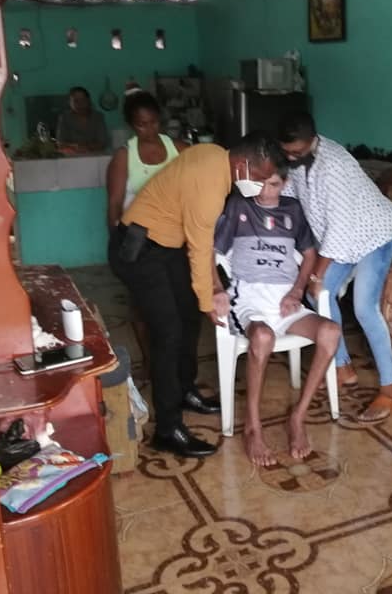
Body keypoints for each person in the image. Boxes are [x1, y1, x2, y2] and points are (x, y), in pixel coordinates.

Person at [108, 133, 280, 458]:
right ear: (242, 165)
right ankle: (167, 429)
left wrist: (208, 294)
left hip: (167, 244)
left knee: (187, 318)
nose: (259, 186)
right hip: (139, 250)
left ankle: (185, 390)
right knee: (168, 333)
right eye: (259, 178)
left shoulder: (214, 154)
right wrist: (209, 302)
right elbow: (201, 249)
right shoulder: (210, 187)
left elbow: (199, 244)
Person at [278, 111, 392, 423]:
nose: (291, 157)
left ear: (312, 140)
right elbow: (290, 196)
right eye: (287, 152)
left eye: (297, 151)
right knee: (318, 295)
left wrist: (316, 273)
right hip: (344, 237)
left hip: (374, 234)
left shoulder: (333, 165)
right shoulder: (296, 160)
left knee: (364, 308)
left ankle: (390, 390)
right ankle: (342, 367)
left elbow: (338, 230)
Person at [213, 168, 340, 467]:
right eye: (260, 184)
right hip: (248, 298)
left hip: (285, 299)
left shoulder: (293, 209)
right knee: (262, 337)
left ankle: (298, 417)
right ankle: (253, 426)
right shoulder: (239, 205)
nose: (264, 192)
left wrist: (297, 291)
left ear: (285, 183)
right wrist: (217, 289)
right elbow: (210, 251)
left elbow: (309, 255)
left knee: (331, 332)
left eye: (273, 185)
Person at [106, 90, 187, 230]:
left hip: (173, 231)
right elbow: (115, 203)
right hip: (138, 233)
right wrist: (116, 236)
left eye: (154, 122)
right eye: (142, 125)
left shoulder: (179, 149)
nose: (150, 130)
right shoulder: (123, 157)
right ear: (131, 125)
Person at [56, 86, 108, 153]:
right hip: (71, 156)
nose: (80, 104)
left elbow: (102, 142)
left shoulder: (98, 117)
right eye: (76, 101)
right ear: (70, 103)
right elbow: (60, 143)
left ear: (88, 101)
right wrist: (77, 147)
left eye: (83, 100)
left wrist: (86, 147)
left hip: (95, 156)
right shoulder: (65, 118)